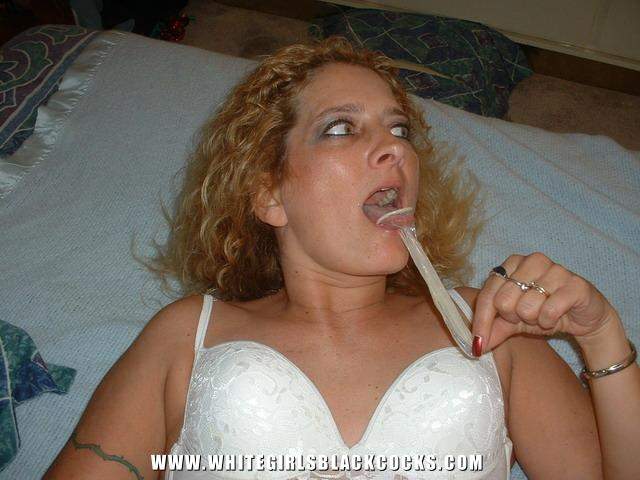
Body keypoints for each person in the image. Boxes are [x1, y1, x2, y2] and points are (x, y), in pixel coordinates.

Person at [44, 36, 639, 480]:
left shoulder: (491, 328)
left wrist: (602, 336)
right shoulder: (186, 336)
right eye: (339, 129)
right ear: (269, 194)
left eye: (399, 131)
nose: (393, 150)